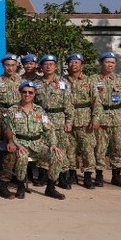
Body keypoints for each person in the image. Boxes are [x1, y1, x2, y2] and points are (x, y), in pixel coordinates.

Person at [3, 81, 67, 200]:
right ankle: (21, 186)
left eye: (30, 92)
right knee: (22, 157)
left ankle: (50, 187)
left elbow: (49, 129)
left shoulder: (39, 111)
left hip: (38, 145)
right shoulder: (12, 110)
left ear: (34, 94)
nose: (27, 95)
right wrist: (16, 145)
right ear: (20, 93)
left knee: (58, 155)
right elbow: (9, 131)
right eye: (24, 92)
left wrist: (53, 144)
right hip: (21, 144)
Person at [91, 51, 121, 188]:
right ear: (101, 63)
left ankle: (117, 176)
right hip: (100, 117)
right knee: (99, 148)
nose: (110, 65)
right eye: (107, 62)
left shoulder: (119, 80)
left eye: (112, 62)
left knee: (118, 148)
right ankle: (99, 176)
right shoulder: (92, 79)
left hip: (117, 118)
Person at [34, 54, 75, 189]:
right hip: (42, 120)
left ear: (56, 66)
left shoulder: (63, 83)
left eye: (51, 64)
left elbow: (68, 104)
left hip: (59, 119)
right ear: (41, 67)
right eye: (45, 64)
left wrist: (69, 121)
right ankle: (43, 176)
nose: (48, 66)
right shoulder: (36, 83)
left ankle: (63, 177)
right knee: (44, 147)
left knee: (62, 149)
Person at [64, 53, 102, 189]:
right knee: (70, 149)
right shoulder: (62, 81)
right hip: (67, 121)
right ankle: (72, 174)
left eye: (76, 62)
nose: (73, 64)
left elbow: (97, 102)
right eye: (71, 62)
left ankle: (87, 176)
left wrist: (96, 118)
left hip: (85, 121)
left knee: (87, 149)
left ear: (82, 65)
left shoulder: (89, 81)